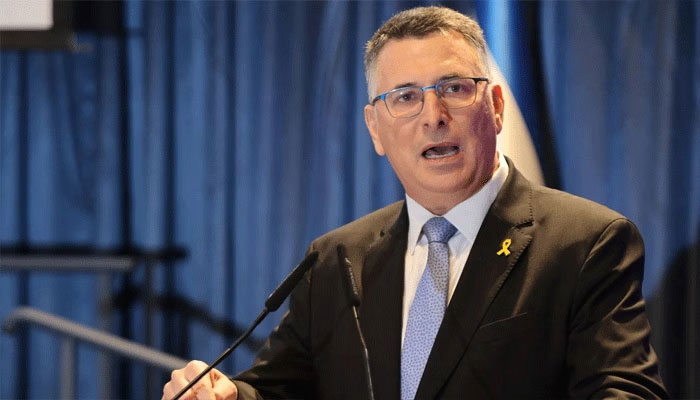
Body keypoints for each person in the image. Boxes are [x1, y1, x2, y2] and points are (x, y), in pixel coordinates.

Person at [163, 6, 667, 400]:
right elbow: (276, 391)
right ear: (375, 129)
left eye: (454, 88)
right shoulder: (337, 259)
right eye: (405, 97)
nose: (433, 115)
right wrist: (224, 394)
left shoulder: (585, 243)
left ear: (495, 107)